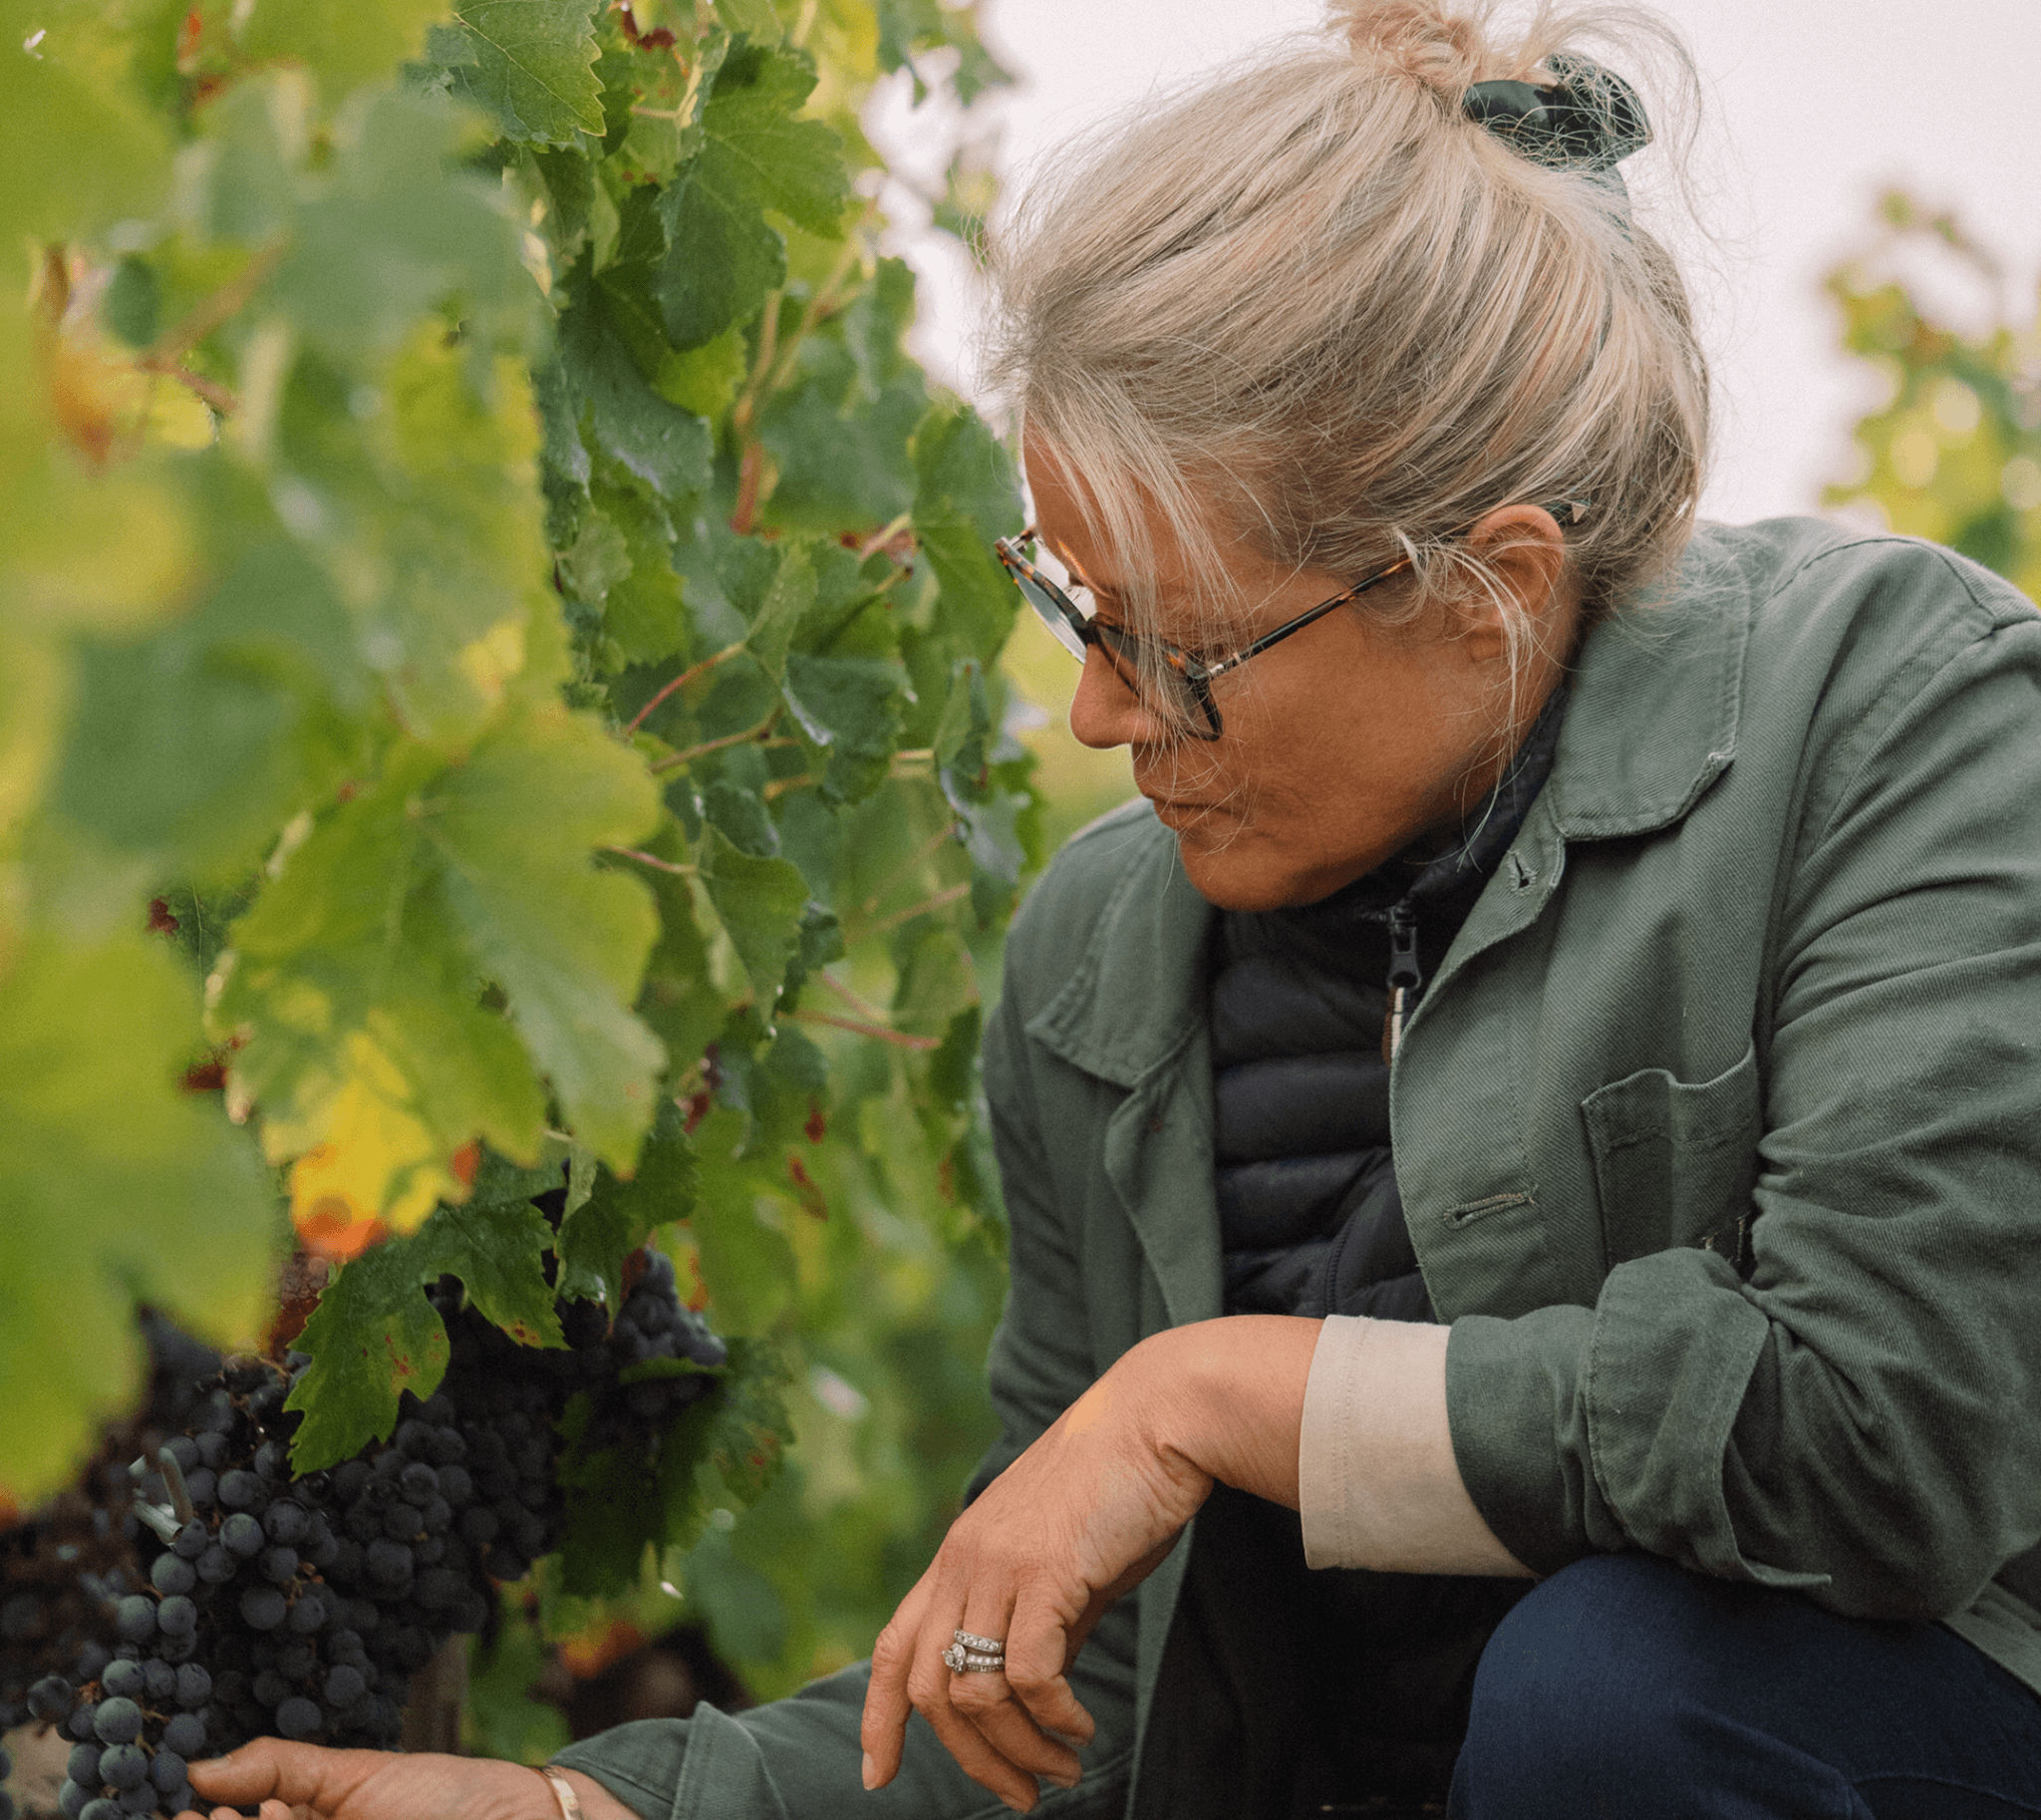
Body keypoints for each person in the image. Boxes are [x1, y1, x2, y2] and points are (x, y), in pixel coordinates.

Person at [175, 1, 2041, 1816]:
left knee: (1607, 1695)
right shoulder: (1103, 959)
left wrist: (1214, 1389)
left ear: (1486, 586)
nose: (1101, 715)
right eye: (1077, 610)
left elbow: (1884, 1440)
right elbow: (1074, 1702)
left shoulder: (1894, 713)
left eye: (1181, 650)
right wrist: (587, 1808)